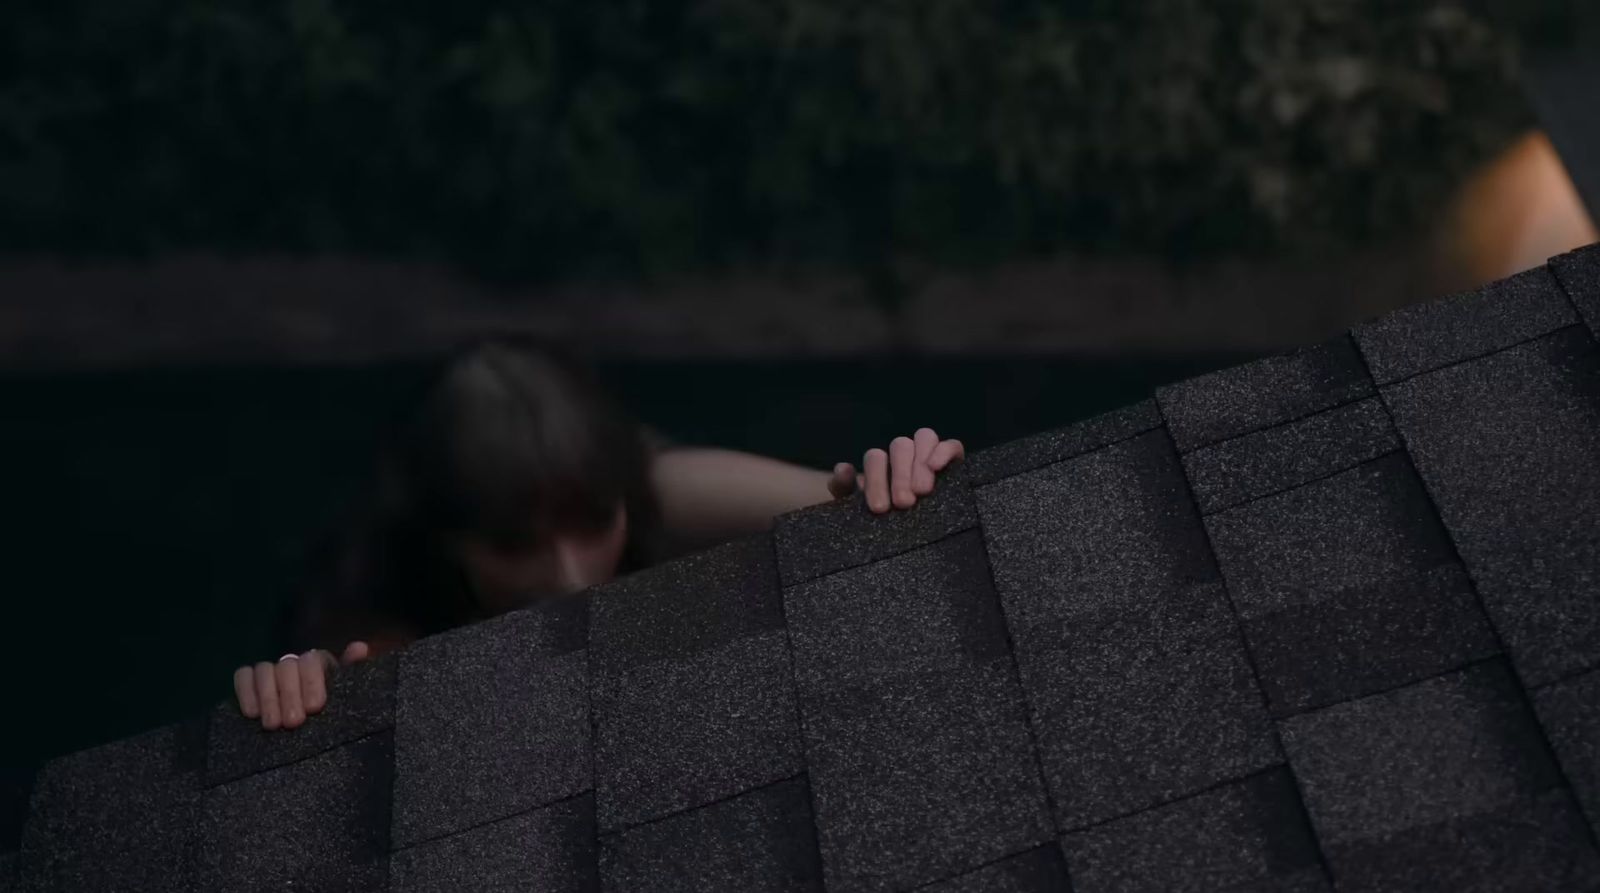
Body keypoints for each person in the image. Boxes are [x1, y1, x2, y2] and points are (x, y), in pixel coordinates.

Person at [234, 339, 965, 731]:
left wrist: (897, 472)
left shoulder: (654, 486)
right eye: (517, 546)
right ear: (444, 538)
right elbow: (335, 700)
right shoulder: (378, 610)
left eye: (592, 525)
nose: (574, 577)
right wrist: (297, 687)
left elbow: (850, 500)